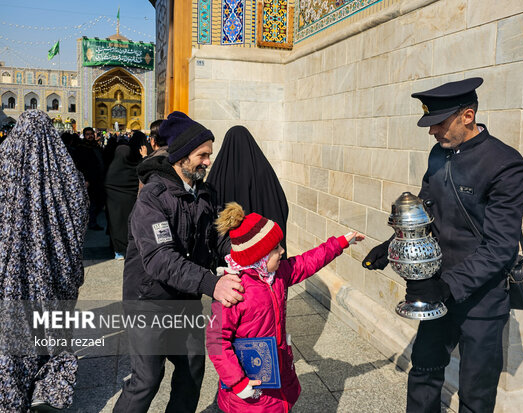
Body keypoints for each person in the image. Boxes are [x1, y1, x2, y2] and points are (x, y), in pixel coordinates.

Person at [362, 78, 523, 413]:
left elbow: (499, 248)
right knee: (423, 371)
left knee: (476, 393)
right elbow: (427, 210)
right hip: (436, 287)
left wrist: (447, 287)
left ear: (467, 116)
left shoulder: (506, 165)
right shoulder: (439, 153)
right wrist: (394, 243)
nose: (432, 132)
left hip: (481, 299)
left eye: (438, 123)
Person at [113, 111, 245, 413]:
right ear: (183, 156)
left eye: (210, 155)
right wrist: (213, 283)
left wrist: (243, 254)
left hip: (184, 301)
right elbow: (160, 259)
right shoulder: (153, 198)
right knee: (147, 379)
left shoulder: (204, 194)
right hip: (148, 302)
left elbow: (217, 237)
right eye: (203, 155)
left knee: (191, 369)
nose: (208, 162)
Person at [207, 202, 365, 412]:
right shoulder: (232, 290)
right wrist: (237, 382)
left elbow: (307, 262)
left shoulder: (277, 274)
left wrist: (339, 243)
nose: (282, 251)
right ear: (259, 257)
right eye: (275, 248)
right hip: (248, 388)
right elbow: (216, 341)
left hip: (278, 372)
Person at [0, 110, 88, 412]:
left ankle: (12, 388)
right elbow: (79, 211)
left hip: (12, 269)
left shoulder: (4, 162)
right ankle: (48, 386)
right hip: (53, 268)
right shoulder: (65, 170)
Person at [206, 125, 289, 256]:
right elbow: (280, 205)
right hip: (264, 252)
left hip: (230, 252)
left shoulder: (218, 173)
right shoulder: (264, 171)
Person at [104, 132, 146, 260]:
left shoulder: (111, 174)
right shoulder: (134, 168)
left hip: (113, 196)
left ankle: (118, 250)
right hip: (126, 196)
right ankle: (123, 248)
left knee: (116, 222)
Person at [73, 126, 106, 230]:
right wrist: (85, 179)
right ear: (84, 135)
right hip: (89, 179)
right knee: (90, 203)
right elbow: (80, 165)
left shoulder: (96, 146)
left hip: (97, 178)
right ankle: (91, 223)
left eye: (91, 134)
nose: (90, 136)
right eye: (87, 134)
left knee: (97, 201)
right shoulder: (82, 148)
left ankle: (91, 221)